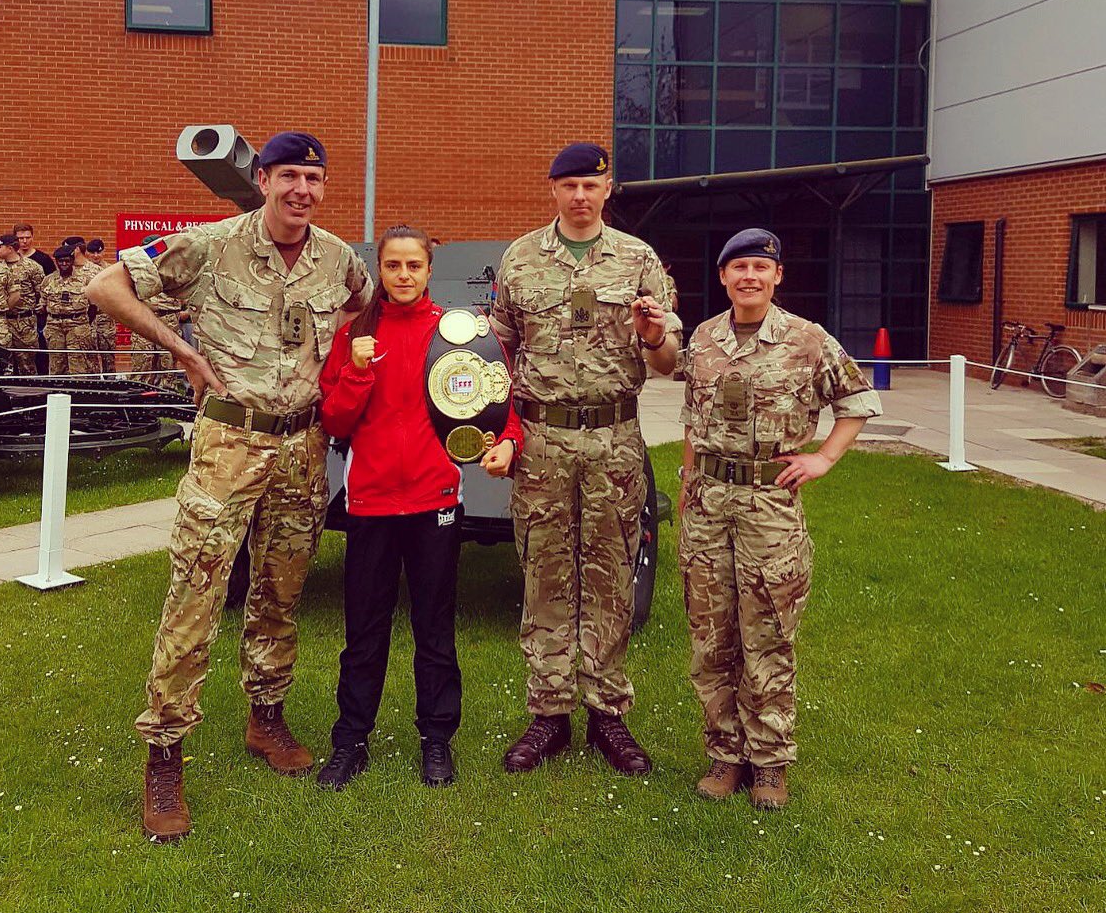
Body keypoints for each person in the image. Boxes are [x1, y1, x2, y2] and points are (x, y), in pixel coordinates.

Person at [87, 130, 371, 845]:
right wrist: (180, 346)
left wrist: (334, 362)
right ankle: (164, 755)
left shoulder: (337, 257)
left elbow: (361, 306)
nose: (301, 190)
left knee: (282, 587)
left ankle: (265, 716)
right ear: (264, 178)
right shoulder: (209, 244)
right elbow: (105, 284)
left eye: (314, 177)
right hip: (228, 443)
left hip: (304, 446)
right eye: (289, 177)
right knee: (197, 592)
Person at [490, 142, 679, 777]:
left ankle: (607, 711)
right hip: (543, 443)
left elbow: (668, 358)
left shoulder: (639, 259)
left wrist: (653, 333)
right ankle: (548, 713)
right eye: (568, 185)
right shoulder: (519, 260)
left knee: (611, 570)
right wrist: (504, 433)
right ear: (552, 190)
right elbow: (500, 355)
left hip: (614, 441)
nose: (579, 196)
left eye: (590, 186)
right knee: (543, 569)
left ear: (608, 190)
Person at [678, 229, 882, 811]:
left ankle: (768, 760)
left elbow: (857, 402)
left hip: (769, 506)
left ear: (777, 277)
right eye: (738, 267)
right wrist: (689, 484)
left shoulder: (808, 340)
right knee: (711, 635)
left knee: (768, 630)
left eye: (760, 268)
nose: (749, 276)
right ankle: (724, 752)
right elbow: (693, 422)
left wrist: (823, 457)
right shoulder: (704, 339)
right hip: (709, 503)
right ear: (723, 277)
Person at [315, 226, 523, 792]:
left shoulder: (458, 335)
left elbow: (498, 407)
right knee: (364, 630)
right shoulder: (355, 334)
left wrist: (508, 442)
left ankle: (436, 740)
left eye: (414, 266)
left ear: (430, 271)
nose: (403, 276)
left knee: (434, 629)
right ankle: (350, 740)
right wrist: (358, 370)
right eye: (392, 266)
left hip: (435, 502)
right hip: (371, 503)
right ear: (378, 270)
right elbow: (334, 420)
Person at [128, 237, 186, 387]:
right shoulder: (134, 270)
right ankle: (138, 398)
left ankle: (166, 397)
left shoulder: (174, 268)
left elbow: (188, 293)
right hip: (143, 319)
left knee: (167, 365)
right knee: (142, 363)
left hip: (168, 319)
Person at [39, 246, 98, 374]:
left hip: (78, 326)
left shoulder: (85, 279)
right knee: (56, 364)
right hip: (54, 327)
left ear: (72, 260)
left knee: (78, 364)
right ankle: (57, 392)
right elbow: (43, 305)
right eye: (61, 261)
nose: (64, 264)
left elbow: (93, 306)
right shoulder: (48, 280)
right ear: (56, 262)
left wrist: (84, 322)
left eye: (67, 261)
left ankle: (78, 392)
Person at [0, 232, 45, 375]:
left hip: (24, 322)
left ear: (10, 248)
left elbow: (41, 292)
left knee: (27, 364)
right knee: (4, 364)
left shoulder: (32, 267)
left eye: (0, 247)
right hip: (2, 322)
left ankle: (31, 396)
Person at [84, 238, 117, 373]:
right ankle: (94, 382)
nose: (96, 256)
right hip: (88, 318)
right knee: (89, 355)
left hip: (106, 317)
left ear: (103, 252)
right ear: (87, 253)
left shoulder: (111, 270)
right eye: (92, 253)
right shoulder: (82, 270)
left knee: (108, 354)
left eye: (99, 252)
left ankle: (111, 381)